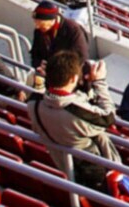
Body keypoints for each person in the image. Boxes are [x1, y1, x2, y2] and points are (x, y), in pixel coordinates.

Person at [29, 48, 118, 189]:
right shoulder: (75, 112)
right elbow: (108, 117)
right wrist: (99, 81)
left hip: (62, 165)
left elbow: (45, 94)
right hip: (95, 172)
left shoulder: (34, 105)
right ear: (73, 79)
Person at [29, 1, 92, 77]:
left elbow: (81, 58)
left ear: (52, 20)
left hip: (68, 76)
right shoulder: (39, 30)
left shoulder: (73, 30)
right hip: (47, 76)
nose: (37, 26)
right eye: (36, 23)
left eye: (41, 23)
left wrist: (55, 69)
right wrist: (39, 65)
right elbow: (35, 53)